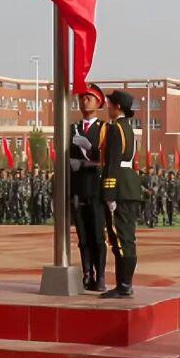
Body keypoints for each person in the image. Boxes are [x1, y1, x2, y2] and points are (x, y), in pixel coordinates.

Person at [100, 90, 143, 299]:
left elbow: (113, 162)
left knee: (120, 238)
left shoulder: (116, 128)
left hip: (119, 187)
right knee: (127, 237)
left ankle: (124, 285)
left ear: (117, 106)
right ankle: (124, 284)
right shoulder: (128, 128)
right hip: (129, 185)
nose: (107, 107)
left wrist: (109, 192)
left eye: (109, 103)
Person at [69, 83, 108, 291]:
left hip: (97, 189)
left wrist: (86, 160)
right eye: (81, 98)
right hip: (78, 188)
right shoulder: (72, 129)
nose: (84, 101)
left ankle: (100, 276)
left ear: (98, 102)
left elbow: (106, 158)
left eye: (89, 98)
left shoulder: (104, 129)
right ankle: (87, 274)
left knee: (98, 236)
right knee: (83, 237)